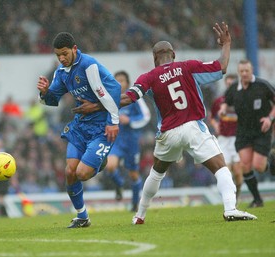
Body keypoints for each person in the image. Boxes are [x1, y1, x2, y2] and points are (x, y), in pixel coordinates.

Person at [73, 22, 257, 224]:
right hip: (193, 127)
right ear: (173, 54)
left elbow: (127, 99)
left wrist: (98, 105)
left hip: (168, 133)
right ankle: (230, 208)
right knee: (221, 168)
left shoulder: (149, 77)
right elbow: (221, 67)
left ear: (154, 59)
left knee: (157, 173)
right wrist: (226, 44)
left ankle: (139, 215)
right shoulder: (188, 67)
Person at [36, 32, 121, 228]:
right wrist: (44, 92)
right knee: (70, 172)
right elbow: (52, 99)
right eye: (58, 55)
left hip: (101, 128)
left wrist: (112, 122)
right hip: (80, 126)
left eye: (65, 53)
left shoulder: (88, 66)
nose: (61, 58)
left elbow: (113, 91)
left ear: (74, 49)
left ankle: (101, 161)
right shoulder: (62, 72)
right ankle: (82, 217)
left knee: (82, 173)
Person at [219, 59, 275, 208]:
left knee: (258, 165)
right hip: (243, 132)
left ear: (252, 71)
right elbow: (226, 100)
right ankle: (257, 199)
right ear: (239, 72)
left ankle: (271, 160)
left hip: (261, 130)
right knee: (245, 165)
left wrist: (270, 118)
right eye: (241, 71)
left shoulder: (262, 85)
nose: (244, 74)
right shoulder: (234, 88)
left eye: (247, 71)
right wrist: (223, 108)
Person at [104, 71, 151, 212]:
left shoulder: (135, 98)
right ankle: (119, 184)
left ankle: (135, 204)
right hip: (115, 141)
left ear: (127, 83)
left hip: (131, 142)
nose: (119, 83)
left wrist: (130, 121)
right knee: (110, 166)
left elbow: (146, 116)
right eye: (116, 80)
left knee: (134, 174)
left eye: (122, 80)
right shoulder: (109, 99)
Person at [209, 74, 243, 203]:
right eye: (228, 84)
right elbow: (211, 117)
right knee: (225, 170)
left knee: (238, 173)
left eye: (232, 84)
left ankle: (237, 193)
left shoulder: (242, 99)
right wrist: (215, 124)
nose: (230, 86)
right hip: (223, 138)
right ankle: (230, 199)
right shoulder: (219, 101)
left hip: (238, 139)